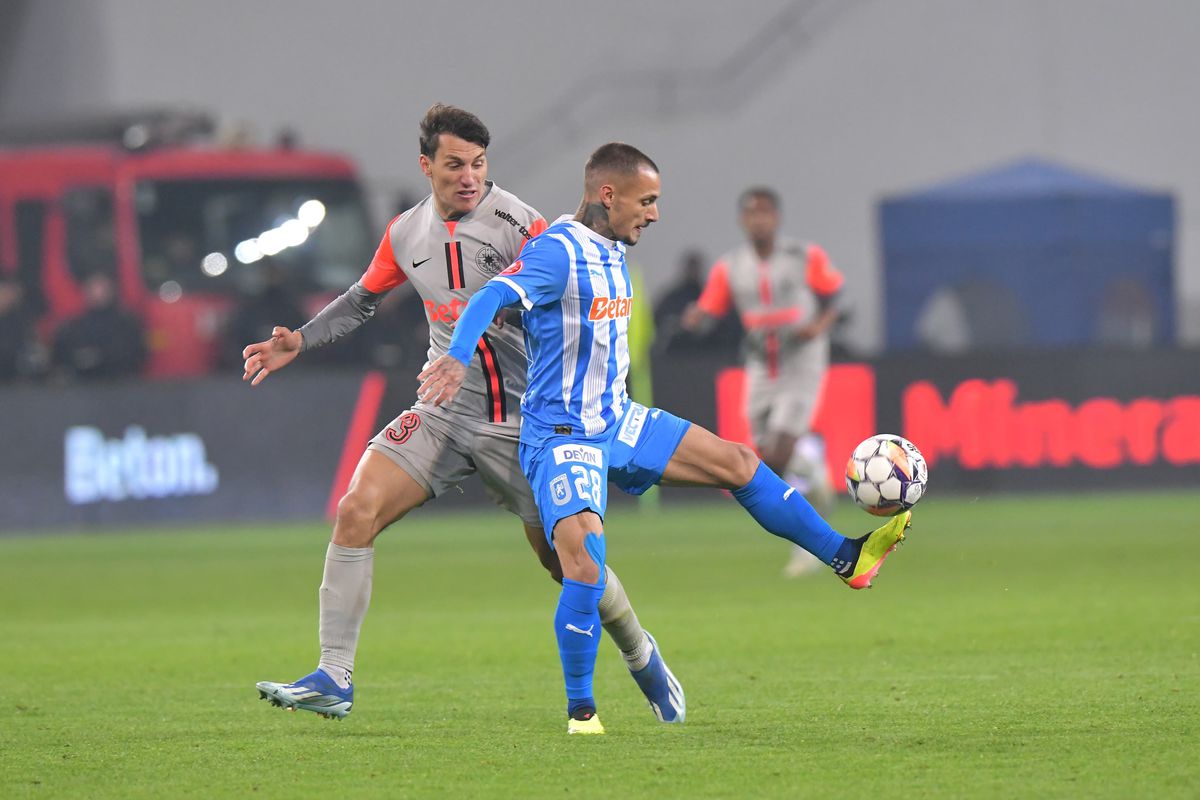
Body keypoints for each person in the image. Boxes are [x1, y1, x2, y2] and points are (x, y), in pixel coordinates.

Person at [419, 143, 912, 735]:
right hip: (562, 434)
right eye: (646, 201)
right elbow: (493, 295)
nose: (654, 215)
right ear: (609, 194)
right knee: (585, 564)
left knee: (739, 461)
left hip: (619, 419)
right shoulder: (559, 250)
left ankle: (845, 558)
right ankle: (585, 710)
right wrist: (455, 355)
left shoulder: (614, 250)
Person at [242, 105, 681, 724]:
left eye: (478, 163)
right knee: (355, 510)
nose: (469, 176)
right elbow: (362, 300)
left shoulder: (522, 226)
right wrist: (301, 341)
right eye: (455, 164)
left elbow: (573, 296)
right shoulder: (404, 234)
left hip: (526, 422)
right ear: (426, 166)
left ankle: (641, 653)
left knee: (570, 562)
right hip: (445, 412)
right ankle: (334, 676)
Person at [683, 188, 841, 577]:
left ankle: (808, 543)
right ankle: (814, 472)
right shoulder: (731, 266)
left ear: (777, 218)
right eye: (752, 214)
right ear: (742, 220)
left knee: (780, 453)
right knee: (765, 456)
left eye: (766, 213)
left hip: (801, 361)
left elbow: (836, 295)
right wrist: (696, 317)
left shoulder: (804, 256)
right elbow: (710, 307)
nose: (759, 220)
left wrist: (818, 326)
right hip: (759, 363)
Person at [52, 272, 146, 380]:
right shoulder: (74, 326)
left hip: (120, 383)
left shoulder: (127, 323)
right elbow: (63, 355)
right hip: (83, 385)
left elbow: (135, 354)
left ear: (111, 291)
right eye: (93, 288)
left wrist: (100, 358)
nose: (98, 293)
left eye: (101, 288)